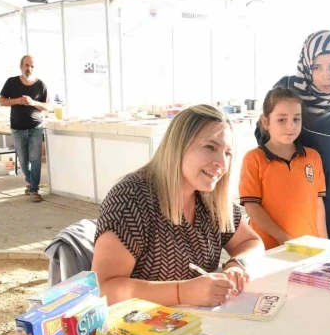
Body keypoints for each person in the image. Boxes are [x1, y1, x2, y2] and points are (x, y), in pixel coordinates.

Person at [92, 105, 264, 307]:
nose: (222, 164)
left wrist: (237, 265)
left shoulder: (210, 197)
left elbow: (252, 242)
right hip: (142, 330)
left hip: (200, 323)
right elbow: (103, 290)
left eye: (227, 153)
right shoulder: (130, 199)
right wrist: (182, 293)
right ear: (178, 145)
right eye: (210, 147)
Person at [256, 30, 330, 242]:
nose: (326, 75)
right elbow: (264, 136)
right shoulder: (286, 91)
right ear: (306, 66)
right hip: (280, 202)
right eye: (316, 67)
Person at [240, 87, 327, 249]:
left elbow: (318, 204)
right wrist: (283, 238)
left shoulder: (313, 157)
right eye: (282, 120)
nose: (290, 126)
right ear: (266, 122)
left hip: (308, 248)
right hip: (269, 249)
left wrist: (324, 244)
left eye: (296, 119)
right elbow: (252, 206)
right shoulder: (254, 159)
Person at [0, 55, 49, 203]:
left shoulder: (41, 85)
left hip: (36, 127)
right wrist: (18, 101)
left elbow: (47, 106)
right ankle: (31, 181)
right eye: (27, 65)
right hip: (18, 127)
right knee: (23, 160)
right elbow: (1, 101)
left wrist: (33, 102)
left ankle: (34, 189)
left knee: (35, 159)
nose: (29, 68)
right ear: (21, 66)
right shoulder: (12, 82)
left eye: (32, 66)